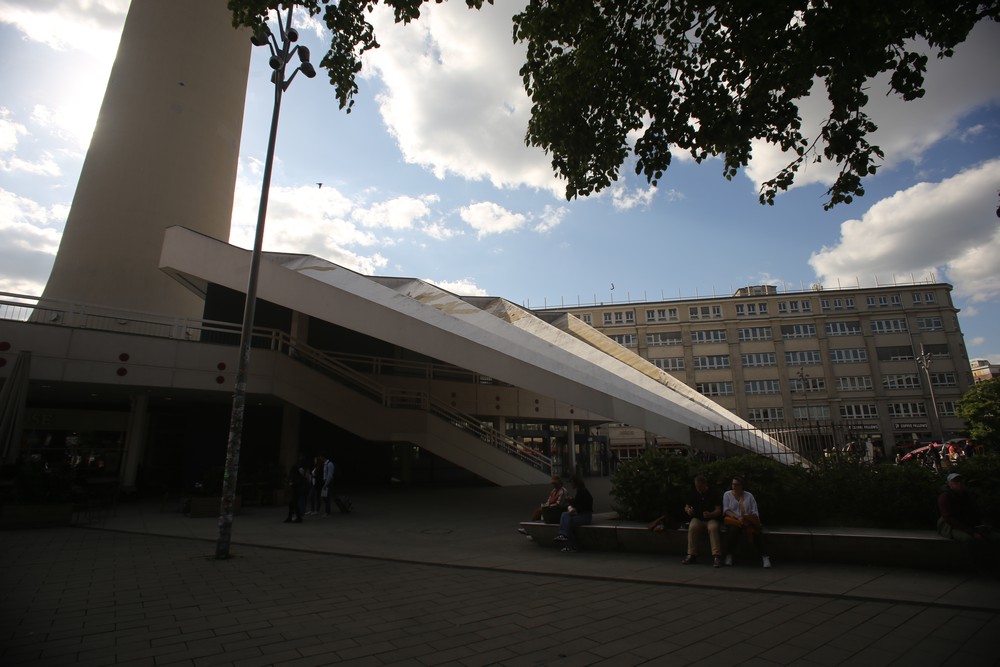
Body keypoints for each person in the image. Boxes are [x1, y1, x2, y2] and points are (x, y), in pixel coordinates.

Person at [722, 476, 771, 568]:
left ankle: (765, 557)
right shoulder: (727, 494)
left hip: (748, 520)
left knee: (757, 532)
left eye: (736, 484)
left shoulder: (749, 496)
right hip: (734, 521)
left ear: (741, 485)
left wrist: (749, 519)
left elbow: (754, 511)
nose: (734, 486)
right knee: (733, 531)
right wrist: (738, 517)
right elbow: (726, 510)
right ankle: (729, 555)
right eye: (733, 484)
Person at [679, 475, 723, 568]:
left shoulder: (713, 493)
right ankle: (691, 554)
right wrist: (688, 510)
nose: (698, 489)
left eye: (700, 486)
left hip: (711, 519)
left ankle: (716, 556)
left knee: (713, 528)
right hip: (698, 518)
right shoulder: (693, 493)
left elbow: (718, 510)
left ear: (705, 484)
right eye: (697, 486)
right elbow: (687, 506)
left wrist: (711, 514)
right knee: (693, 527)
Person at [553, 475, 594, 553]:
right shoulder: (581, 491)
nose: (571, 484)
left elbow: (580, 506)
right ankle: (563, 535)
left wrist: (571, 502)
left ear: (575, 483)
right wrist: (572, 501)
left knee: (567, 522)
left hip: (585, 516)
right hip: (583, 515)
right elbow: (578, 504)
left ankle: (571, 545)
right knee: (564, 515)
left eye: (571, 483)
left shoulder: (582, 492)